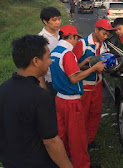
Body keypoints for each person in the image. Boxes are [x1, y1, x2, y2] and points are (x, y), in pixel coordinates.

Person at [0, 35, 73, 168]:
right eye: (48, 57)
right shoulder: (41, 97)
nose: (50, 61)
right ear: (36, 61)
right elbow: (51, 142)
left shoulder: (4, 88)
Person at [51, 25, 105, 168]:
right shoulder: (68, 54)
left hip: (59, 98)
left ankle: (63, 159)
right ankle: (82, 165)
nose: (76, 42)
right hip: (71, 101)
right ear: (71, 37)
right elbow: (74, 78)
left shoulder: (56, 51)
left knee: (62, 134)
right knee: (78, 138)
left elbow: (67, 70)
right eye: (76, 38)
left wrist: (83, 63)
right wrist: (94, 68)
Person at [73, 19, 114, 149]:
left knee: (95, 113)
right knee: (83, 115)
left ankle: (90, 139)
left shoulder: (104, 46)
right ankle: (80, 141)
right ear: (96, 30)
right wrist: (93, 68)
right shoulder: (82, 44)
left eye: (108, 34)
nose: (106, 36)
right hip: (84, 86)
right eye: (104, 33)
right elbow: (74, 68)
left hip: (97, 84)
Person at [38, 6, 62, 95]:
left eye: (59, 19)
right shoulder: (41, 39)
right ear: (45, 21)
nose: (58, 22)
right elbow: (39, 66)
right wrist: (43, 87)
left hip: (64, 78)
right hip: (51, 81)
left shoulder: (62, 33)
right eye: (54, 20)